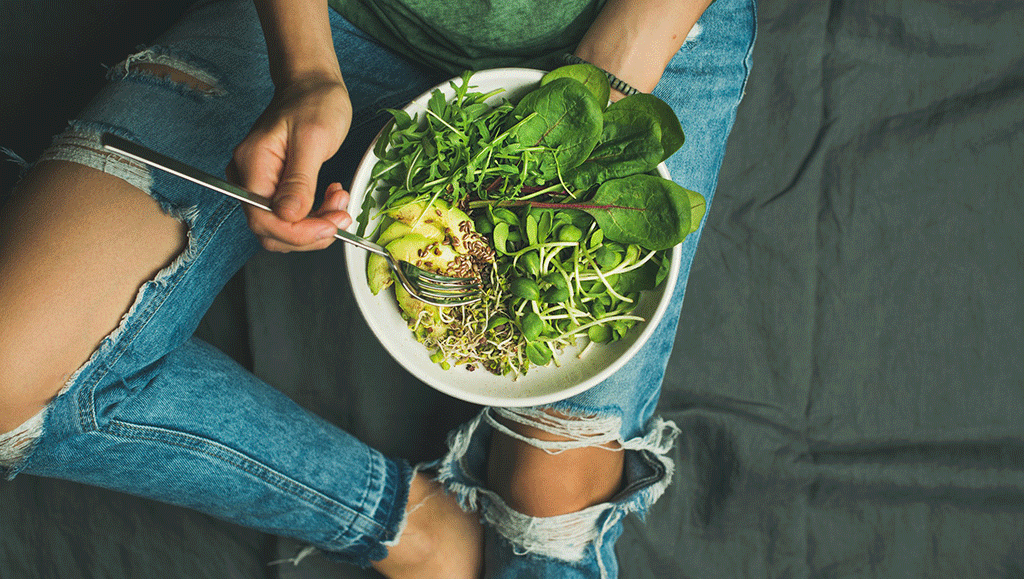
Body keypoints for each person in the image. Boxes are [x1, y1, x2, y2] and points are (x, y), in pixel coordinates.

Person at [0, 0, 755, 576]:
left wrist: (608, 80)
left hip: (637, 29)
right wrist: (305, 68)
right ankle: (408, 525)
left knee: (548, 520)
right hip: (341, 20)